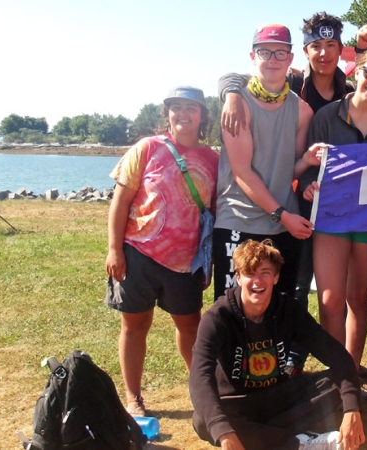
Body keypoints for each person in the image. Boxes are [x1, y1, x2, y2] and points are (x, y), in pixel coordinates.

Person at [217, 12, 367, 377]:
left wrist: (365, 48)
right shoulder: (291, 82)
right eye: (316, 47)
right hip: (290, 206)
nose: (324, 54)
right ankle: (252, 371)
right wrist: (230, 92)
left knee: (296, 292)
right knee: (271, 292)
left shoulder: (348, 88)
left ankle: (314, 368)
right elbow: (238, 77)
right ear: (303, 53)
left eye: (332, 47)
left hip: (322, 209)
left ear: (342, 51)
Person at [105, 86, 219, 416]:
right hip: (138, 253)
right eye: (176, 107)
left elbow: (213, 212)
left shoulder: (213, 159)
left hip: (186, 262)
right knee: (134, 326)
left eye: (191, 108)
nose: (183, 113)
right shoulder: (146, 148)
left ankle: (202, 392)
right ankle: (133, 397)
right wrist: (115, 250)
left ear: (202, 115)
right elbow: (120, 202)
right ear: (167, 113)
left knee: (190, 327)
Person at [190, 239, 365, 450]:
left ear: (276, 277)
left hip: (279, 398)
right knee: (204, 421)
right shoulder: (218, 317)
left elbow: (336, 355)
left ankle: (258, 436)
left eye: (265, 272)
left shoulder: (288, 309)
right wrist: (224, 433)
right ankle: (298, 444)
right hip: (237, 402)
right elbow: (199, 377)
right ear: (238, 277)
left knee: (338, 384)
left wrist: (351, 409)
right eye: (249, 273)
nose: (257, 281)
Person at [300, 49, 367, 383]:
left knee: (359, 298)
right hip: (332, 215)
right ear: (357, 71)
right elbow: (310, 167)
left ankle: (351, 374)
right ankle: (337, 373)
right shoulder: (326, 116)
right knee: (330, 300)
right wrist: (309, 187)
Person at [213, 24, 314, 304]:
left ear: (291, 59)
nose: (272, 59)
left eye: (280, 53)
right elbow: (241, 171)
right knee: (231, 309)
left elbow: (287, 171)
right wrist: (283, 215)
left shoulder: (302, 111)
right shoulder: (237, 102)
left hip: (284, 227)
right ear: (252, 56)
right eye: (265, 52)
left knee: (277, 312)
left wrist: (306, 160)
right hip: (239, 219)